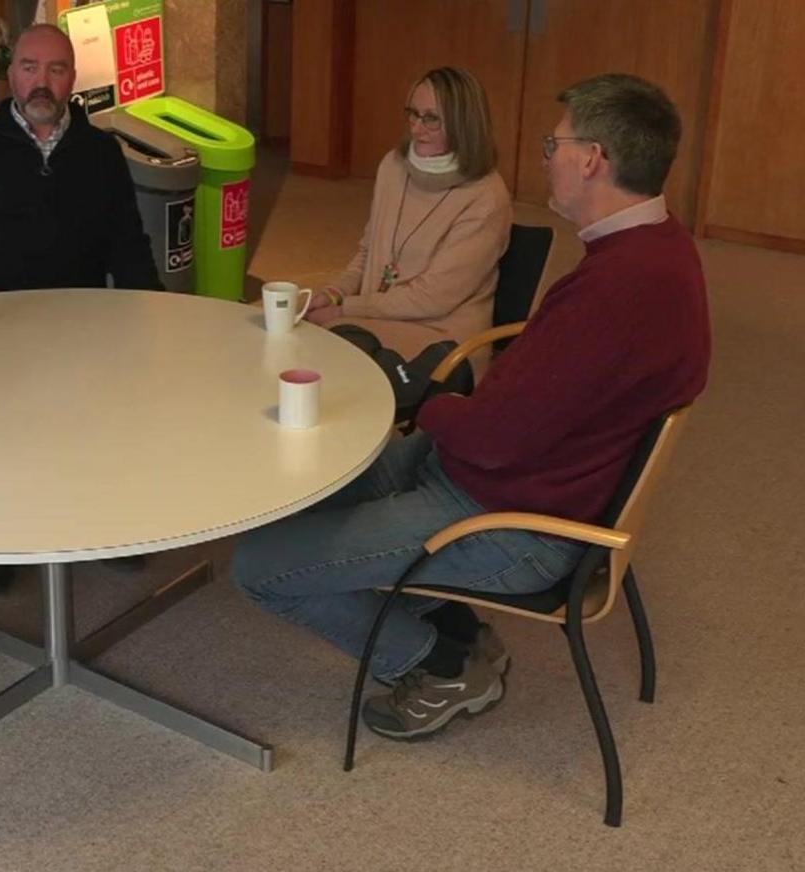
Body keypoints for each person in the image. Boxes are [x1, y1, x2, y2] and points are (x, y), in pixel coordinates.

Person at [231, 74, 709, 741]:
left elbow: (494, 435)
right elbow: (521, 410)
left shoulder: (619, 289)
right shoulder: (659, 250)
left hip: (509, 516)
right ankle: (449, 618)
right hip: (491, 473)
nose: (546, 156)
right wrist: (453, 414)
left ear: (594, 159)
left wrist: (431, 405)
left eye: (554, 142)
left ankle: (437, 665)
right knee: (305, 491)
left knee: (260, 570)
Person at [0, 23, 162, 593]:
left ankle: (107, 527)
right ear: (12, 76)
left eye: (56, 69)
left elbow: (127, 241)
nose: (41, 83)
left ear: (73, 79)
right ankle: (2, 538)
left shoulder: (100, 152)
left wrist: (153, 316)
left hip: (81, 316)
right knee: (1, 426)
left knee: (100, 416)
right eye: (30, 68)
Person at [307, 67, 512, 379]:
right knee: (293, 337)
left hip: (441, 335)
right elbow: (368, 252)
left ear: (463, 124)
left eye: (431, 118)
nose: (417, 128)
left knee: (330, 363)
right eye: (412, 114)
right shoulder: (393, 165)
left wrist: (344, 309)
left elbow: (432, 299)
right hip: (378, 316)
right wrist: (332, 293)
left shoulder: (486, 196)